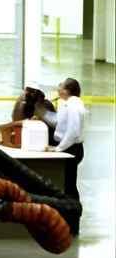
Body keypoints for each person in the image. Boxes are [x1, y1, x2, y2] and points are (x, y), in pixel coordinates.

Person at [49, 77, 86, 229]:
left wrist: (59, 148)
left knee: (69, 186)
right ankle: (70, 219)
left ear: (67, 90)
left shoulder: (73, 105)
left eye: (61, 86)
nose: (58, 88)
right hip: (70, 147)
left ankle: (73, 221)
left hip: (70, 149)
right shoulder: (69, 104)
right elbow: (58, 122)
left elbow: (73, 132)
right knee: (68, 184)